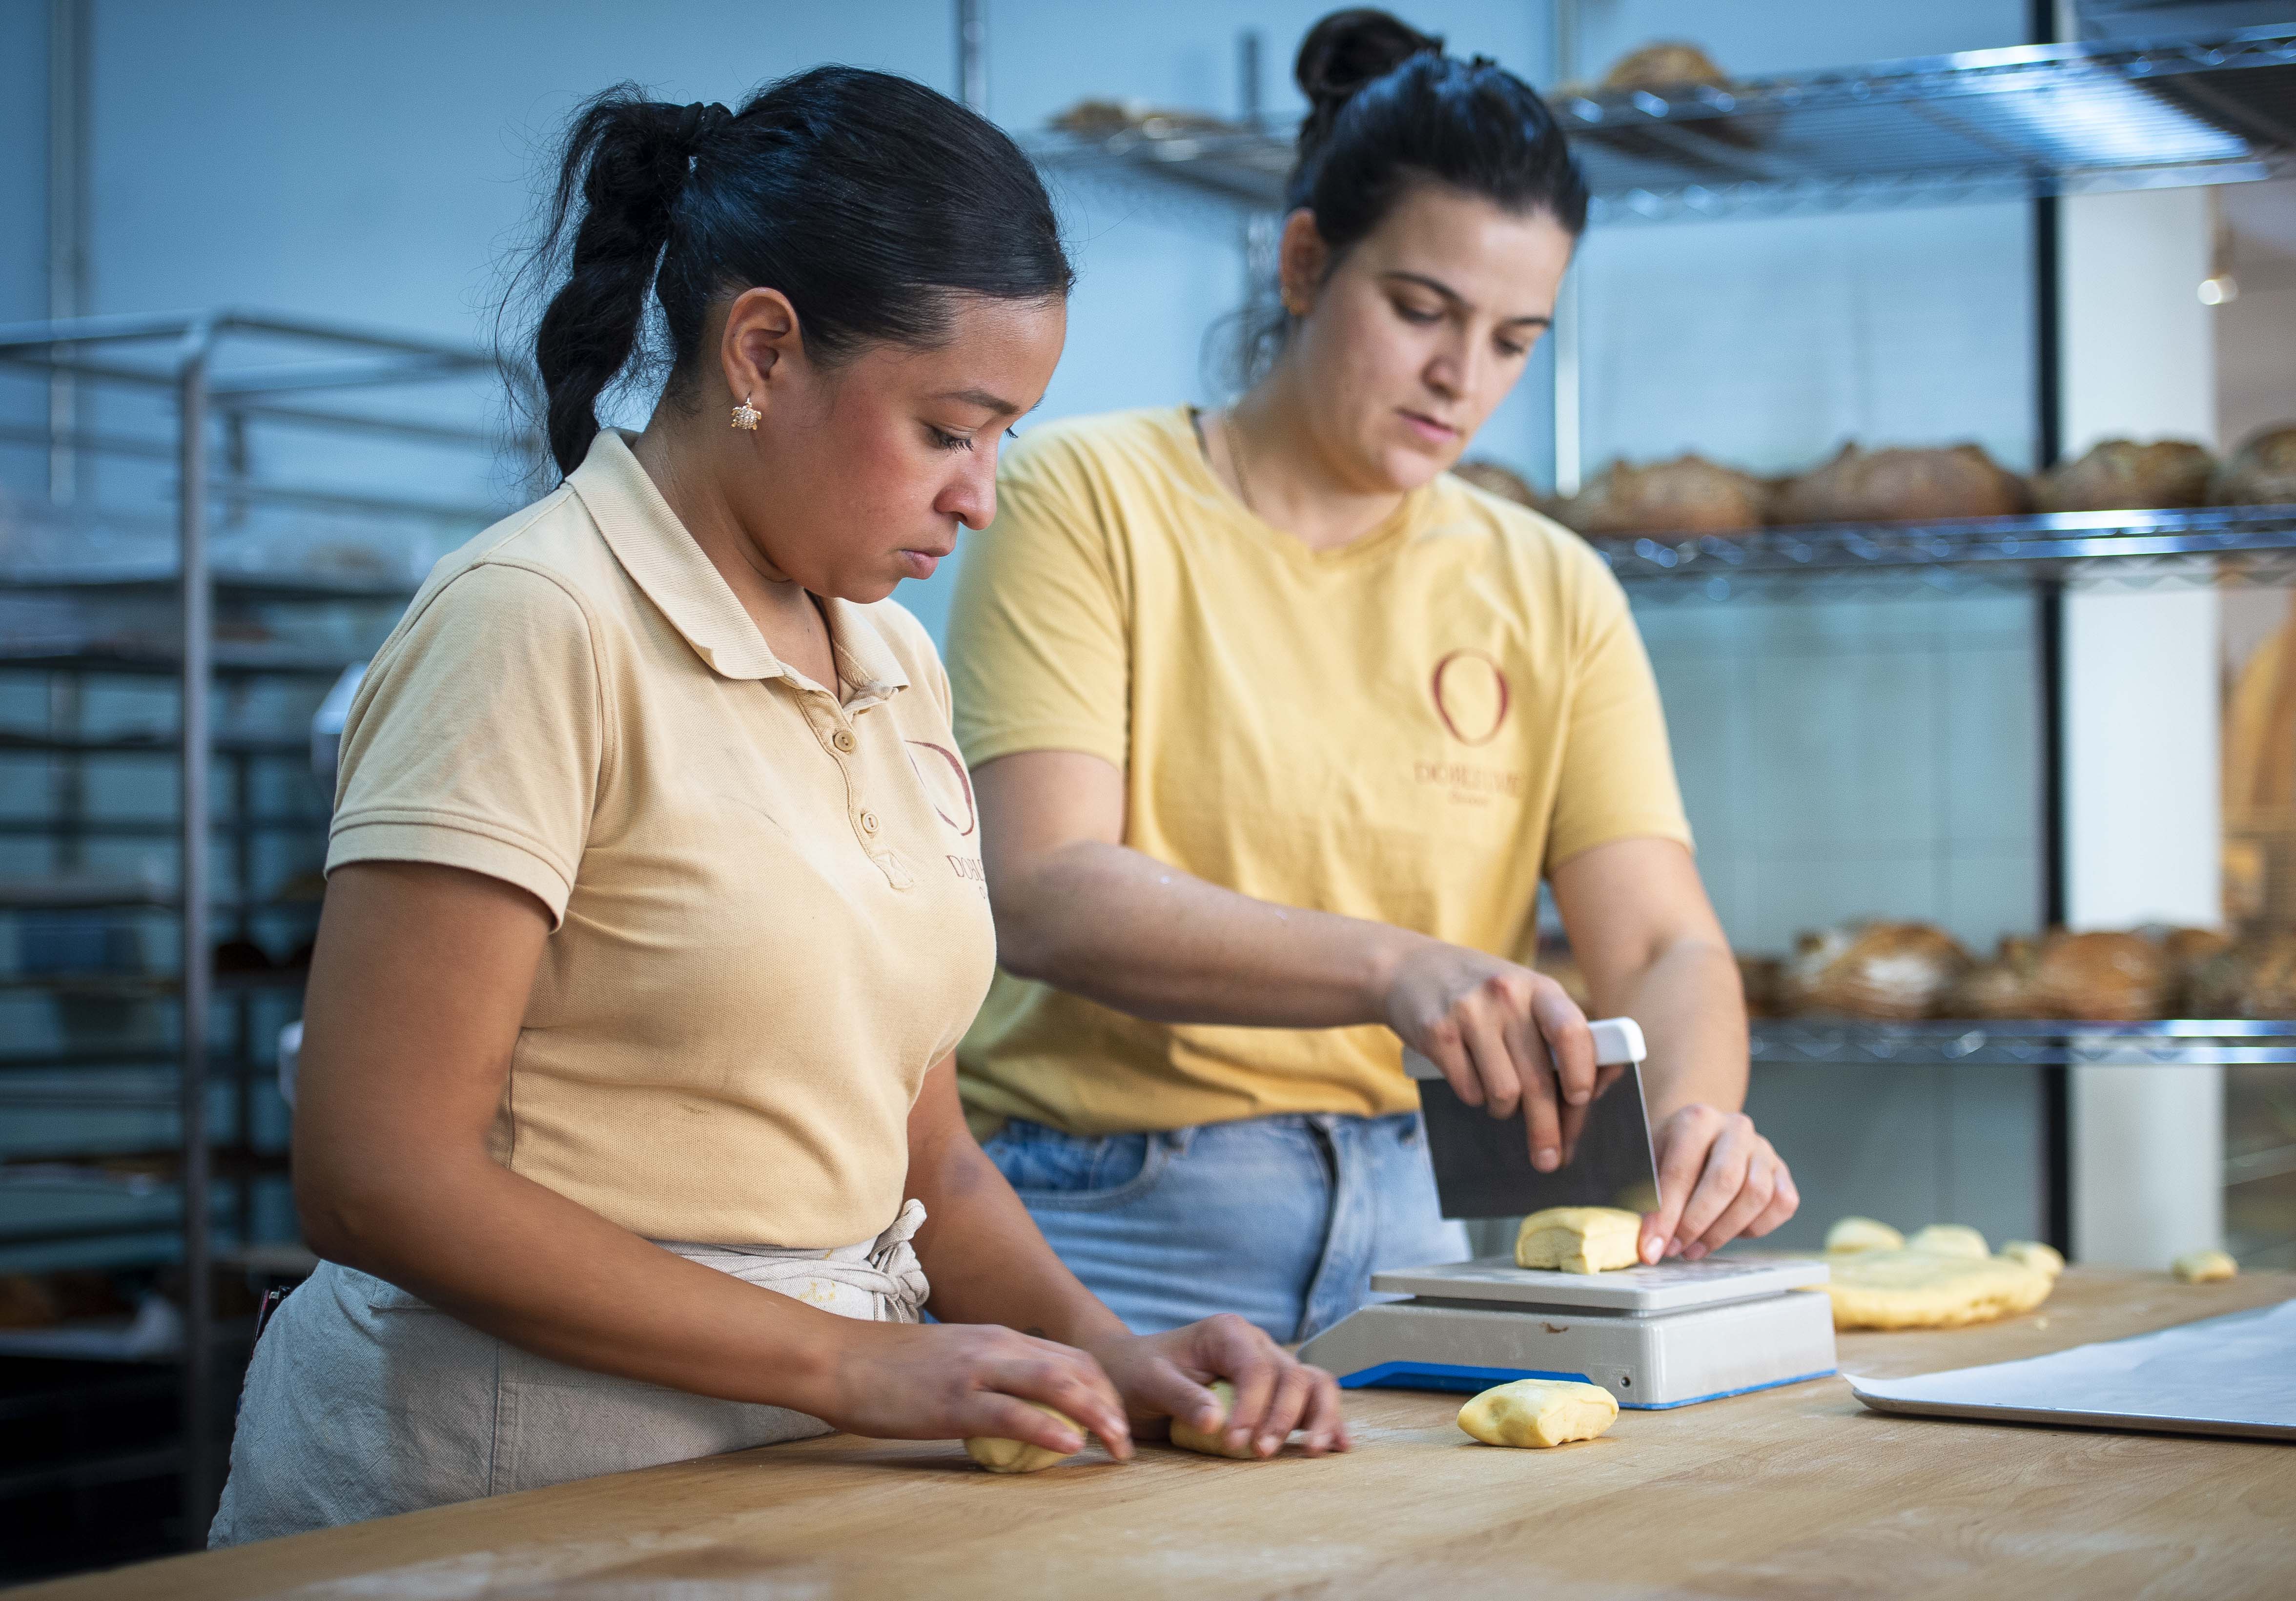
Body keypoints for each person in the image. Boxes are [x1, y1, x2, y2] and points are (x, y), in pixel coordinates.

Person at [212, 67, 1343, 1548]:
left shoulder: (889, 660)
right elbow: (375, 1174)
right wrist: (860, 1361)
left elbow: (922, 1156)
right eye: (951, 429)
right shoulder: (533, 622)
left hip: (785, 1473)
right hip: (497, 1473)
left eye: (1008, 435)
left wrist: (1103, 1353)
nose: (983, 495)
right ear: (762, 351)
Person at [947, 10, 1799, 1344]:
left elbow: (1661, 943)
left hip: (1438, 1231)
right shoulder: (1086, 496)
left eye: (1516, 339)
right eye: (1421, 311)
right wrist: (1394, 970)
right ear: (1303, 263)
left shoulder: (1551, 585)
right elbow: (1045, 885)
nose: (1463, 378)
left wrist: (1698, 1115)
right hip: (1115, 1225)